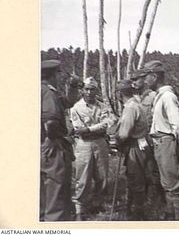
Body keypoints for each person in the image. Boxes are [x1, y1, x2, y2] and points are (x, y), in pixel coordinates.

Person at [143, 60, 179, 220]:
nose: (145, 81)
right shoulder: (160, 96)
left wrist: (174, 147)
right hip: (160, 142)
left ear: (154, 76)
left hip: (166, 141)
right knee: (167, 182)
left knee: (173, 183)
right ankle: (170, 213)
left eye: (146, 77)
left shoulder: (167, 97)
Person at [70, 76, 117, 221]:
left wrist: (89, 129)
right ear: (82, 91)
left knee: (102, 175)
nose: (89, 92)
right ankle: (79, 209)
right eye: (87, 89)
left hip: (100, 143)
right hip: (83, 145)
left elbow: (108, 123)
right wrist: (94, 129)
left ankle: (98, 202)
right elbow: (79, 129)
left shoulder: (102, 106)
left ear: (96, 91)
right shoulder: (76, 108)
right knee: (83, 177)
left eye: (92, 89)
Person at [40, 59, 80, 221]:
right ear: (52, 75)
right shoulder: (48, 93)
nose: (59, 77)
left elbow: (68, 102)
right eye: (57, 73)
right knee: (57, 191)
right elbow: (50, 121)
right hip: (53, 147)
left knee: (44, 193)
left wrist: (73, 86)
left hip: (41, 147)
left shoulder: (42, 91)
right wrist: (52, 140)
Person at [130, 70, 166, 219]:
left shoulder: (153, 96)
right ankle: (142, 200)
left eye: (137, 80)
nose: (134, 83)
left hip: (151, 138)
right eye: (132, 80)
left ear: (144, 80)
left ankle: (161, 199)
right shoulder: (133, 99)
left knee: (155, 169)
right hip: (138, 139)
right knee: (139, 170)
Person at [115, 79, 150, 220]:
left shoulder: (130, 107)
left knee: (136, 178)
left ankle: (137, 212)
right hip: (140, 144)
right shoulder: (136, 104)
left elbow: (123, 134)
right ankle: (132, 207)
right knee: (137, 178)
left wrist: (117, 139)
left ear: (120, 93)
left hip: (135, 146)